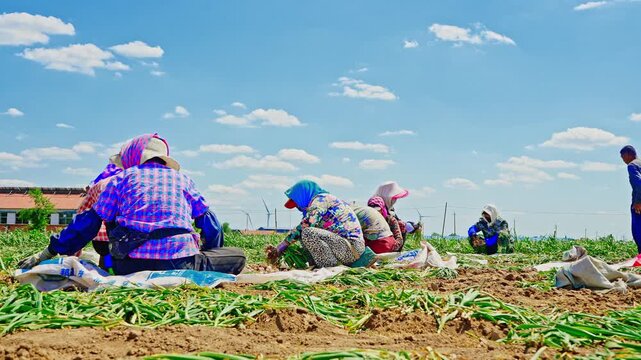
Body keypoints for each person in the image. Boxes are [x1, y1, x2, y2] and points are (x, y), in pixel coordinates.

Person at [18, 133, 245, 275]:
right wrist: (209, 251)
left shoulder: (118, 179)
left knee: (105, 257)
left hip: (127, 264)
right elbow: (210, 224)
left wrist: (50, 251)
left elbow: (87, 224)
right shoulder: (183, 179)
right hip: (179, 262)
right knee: (238, 256)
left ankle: (107, 265)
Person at [266, 180, 376, 268]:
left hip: (351, 247)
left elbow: (307, 224)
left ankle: (329, 267)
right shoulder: (323, 201)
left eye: (297, 203)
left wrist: (282, 246)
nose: (299, 208)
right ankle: (320, 265)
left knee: (308, 233)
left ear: (304, 195)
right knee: (305, 236)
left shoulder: (321, 201)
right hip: (345, 247)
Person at [76, 162, 123, 271]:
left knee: (106, 256)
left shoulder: (98, 186)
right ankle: (110, 271)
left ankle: (106, 271)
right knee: (111, 259)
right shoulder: (124, 184)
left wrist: (76, 252)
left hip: (99, 237)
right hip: (118, 237)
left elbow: (82, 214)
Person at [620, 145, 641, 263]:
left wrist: (638, 202)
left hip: (639, 204)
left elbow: (639, 184)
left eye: (623, 157)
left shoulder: (632, 165)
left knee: (638, 232)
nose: (623, 160)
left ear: (628, 154)